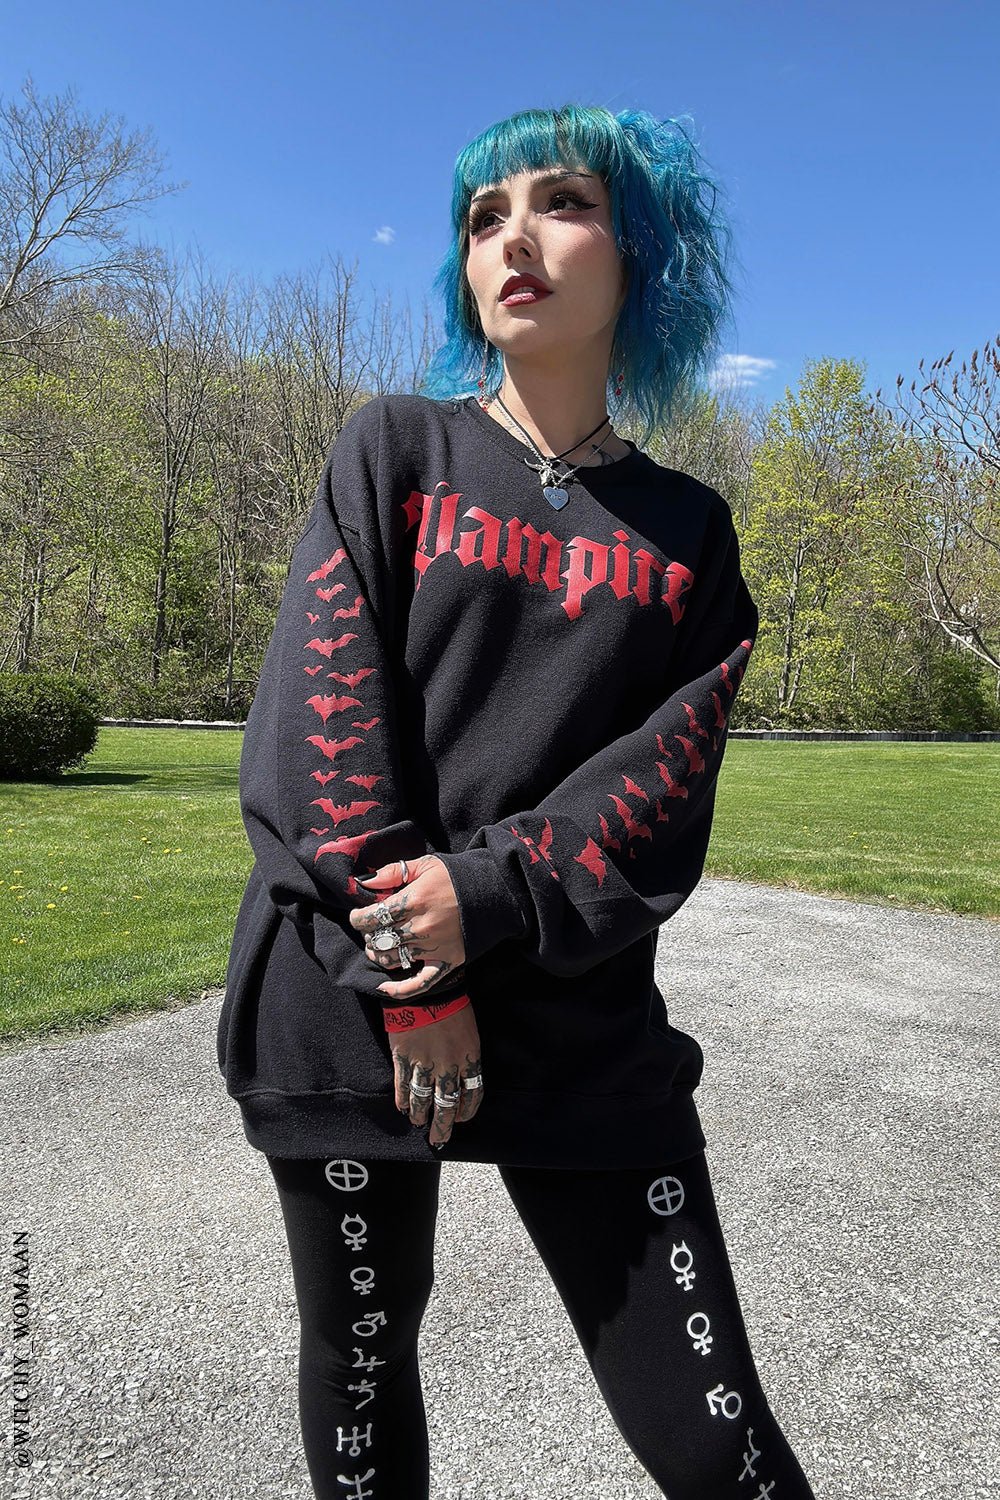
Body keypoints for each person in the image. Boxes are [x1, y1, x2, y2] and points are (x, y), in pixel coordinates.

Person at [217, 103, 816, 1499]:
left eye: (563, 203)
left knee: (717, 1440)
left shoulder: (691, 533)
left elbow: (664, 777)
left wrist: (484, 900)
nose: (515, 239)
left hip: (575, 1015)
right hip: (352, 1004)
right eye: (485, 218)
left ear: (641, 252)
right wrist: (413, 972)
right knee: (363, 1383)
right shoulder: (393, 450)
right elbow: (322, 724)